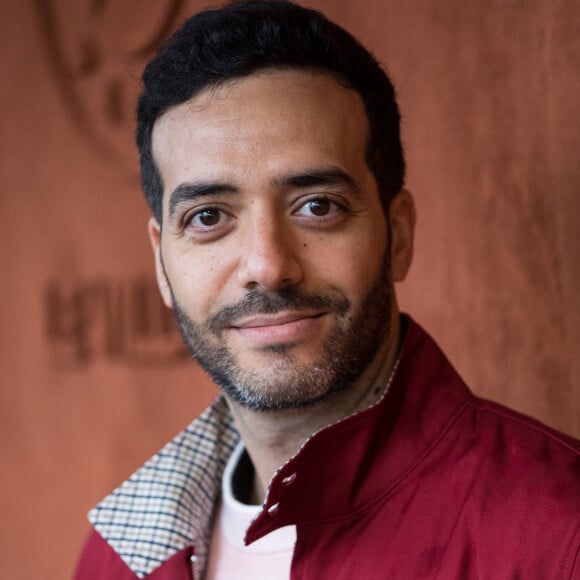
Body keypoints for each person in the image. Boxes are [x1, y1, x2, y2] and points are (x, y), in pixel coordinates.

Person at [74, 1, 580, 578]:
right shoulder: (119, 555)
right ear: (162, 264)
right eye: (209, 217)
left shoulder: (559, 534)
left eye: (318, 207)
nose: (268, 267)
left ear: (400, 236)